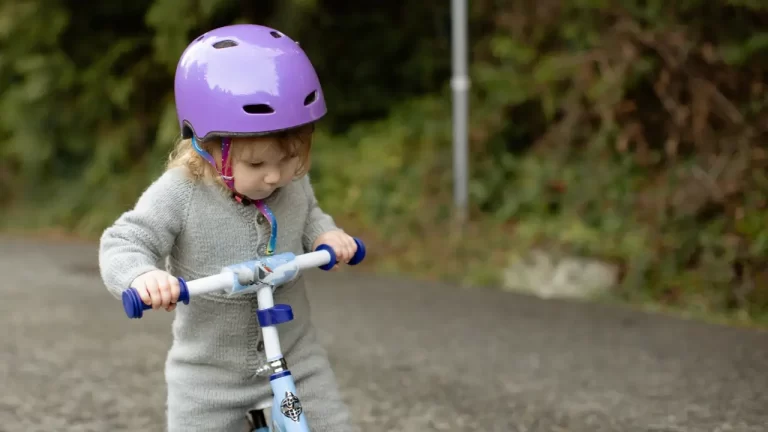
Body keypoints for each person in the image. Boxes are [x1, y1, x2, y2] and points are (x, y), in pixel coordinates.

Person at [98, 24, 359, 432]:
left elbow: (309, 215)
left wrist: (325, 235)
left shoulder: (292, 183)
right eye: (257, 165)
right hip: (209, 378)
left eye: (290, 158)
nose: (276, 176)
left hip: (297, 358)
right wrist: (142, 275)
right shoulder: (181, 192)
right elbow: (125, 240)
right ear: (207, 146)